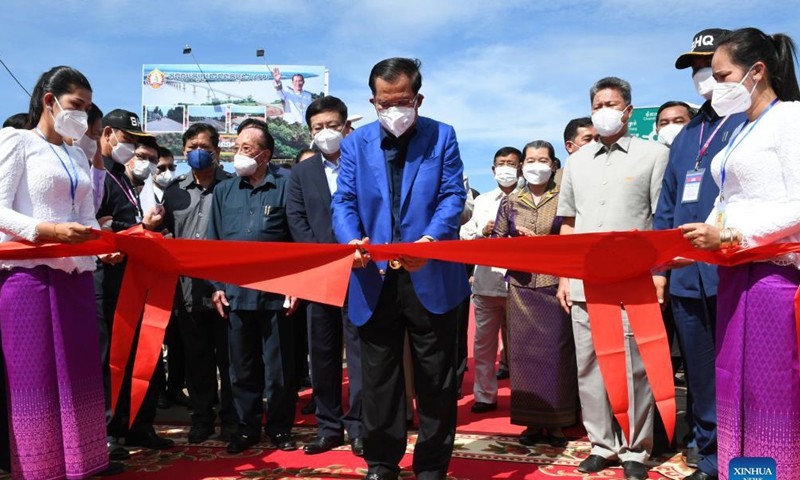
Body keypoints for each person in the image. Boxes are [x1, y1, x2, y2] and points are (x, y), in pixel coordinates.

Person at [332, 57, 470, 480]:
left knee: (438, 379)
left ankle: (431, 466)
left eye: (403, 101)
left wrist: (430, 240)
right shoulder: (355, 144)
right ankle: (381, 462)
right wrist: (351, 239)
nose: (393, 109)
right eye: (384, 102)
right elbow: (345, 201)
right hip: (373, 276)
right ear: (373, 102)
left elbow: (451, 196)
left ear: (418, 98)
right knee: (377, 379)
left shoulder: (441, 136)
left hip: (430, 272)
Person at [680, 27, 800, 480]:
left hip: (774, 276)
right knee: (734, 383)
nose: (714, 85)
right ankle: (744, 470)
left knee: (771, 389)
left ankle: (781, 471)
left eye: (721, 74)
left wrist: (732, 237)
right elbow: (729, 198)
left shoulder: (791, 118)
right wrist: (694, 240)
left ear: (756, 70)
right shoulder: (741, 127)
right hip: (735, 273)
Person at [0, 66, 123, 478]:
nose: (84, 117)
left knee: (79, 372)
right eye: (77, 105)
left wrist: (100, 249)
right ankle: (40, 470)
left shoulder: (76, 154)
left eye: (88, 109)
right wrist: (45, 231)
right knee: (35, 377)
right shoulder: (16, 142)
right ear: (49, 100)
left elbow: (86, 217)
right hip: (27, 277)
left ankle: (82, 464)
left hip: (76, 278)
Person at [556, 76, 669, 480]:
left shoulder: (653, 155)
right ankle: (602, 443)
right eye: (598, 104)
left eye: (613, 103)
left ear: (628, 110)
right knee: (588, 365)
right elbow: (568, 222)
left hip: (632, 279)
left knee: (634, 367)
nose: (605, 110)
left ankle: (636, 448)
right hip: (585, 281)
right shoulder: (575, 161)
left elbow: (661, 222)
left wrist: (659, 275)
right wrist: (565, 277)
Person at [654, 28, 746, 480]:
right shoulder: (688, 133)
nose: (702, 76)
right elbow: (667, 205)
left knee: (744, 370)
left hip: (738, 269)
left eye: (710, 66)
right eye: (695, 70)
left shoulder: (754, 120)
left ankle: (750, 455)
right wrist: (660, 270)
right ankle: (709, 456)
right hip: (688, 275)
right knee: (701, 370)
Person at [207, 118, 298, 454]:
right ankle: (246, 429)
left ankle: (279, 428)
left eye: (247, 149)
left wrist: (296, 285)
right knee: (241, 369)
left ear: (265, 155)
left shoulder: (286, 186)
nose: (238, 154)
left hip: (276, 295)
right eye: (236, 147)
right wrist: (216, 285)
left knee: (279, 371)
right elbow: (214, 242)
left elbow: (296, 241)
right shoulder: (223, 191)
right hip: (234, 296)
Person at [143, 123, 238, 443]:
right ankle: (201, 418)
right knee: (197, 359)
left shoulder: (234, 186)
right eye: (192, 147)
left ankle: (231, 417)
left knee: (230, 360)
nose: (198, 152)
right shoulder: (174, 190)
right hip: (188, 290)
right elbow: (162, 235)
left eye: (205, 146)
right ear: (184, 152)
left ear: (217, 150)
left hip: (227, 288)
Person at [286, 96, 364, 456]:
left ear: (346, 126)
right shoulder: (301, 173)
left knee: (361, 352)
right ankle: (328, 427)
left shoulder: (364, 162)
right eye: (318, 127)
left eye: (332, 125)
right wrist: (324, 256)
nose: (326, 132)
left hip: (362, 271)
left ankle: (360, 426)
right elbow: (296, 219)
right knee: (323, 354)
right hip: (321, 274)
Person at [95, 109, 173, 459]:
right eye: (130, 142)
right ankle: (110, 430)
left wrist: (149, 228)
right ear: (108, 134)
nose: (134, 152)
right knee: (111, 357)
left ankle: (140, 424)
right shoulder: (98, 176)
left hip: (135, 279)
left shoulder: (124, 180)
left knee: (145, 354)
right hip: (107, 282)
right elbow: (97, 229)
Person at [493, 140, 577, 448]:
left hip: (556, 285)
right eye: (530, 160)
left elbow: (574, 237)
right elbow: (497, 242)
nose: (536, 165)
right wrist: (517, 243)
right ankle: (530, 421)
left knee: (558, 355)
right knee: (523, 355)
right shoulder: (512, 201)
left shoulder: (564, 198)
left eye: (543, 159)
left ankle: (557, 423)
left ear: (554, 165)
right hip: (521, 287)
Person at [460, 146, 522, 414]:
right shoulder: (483, 200)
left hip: (519, 284)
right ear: (493, 169)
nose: (506, 168)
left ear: (520, 167)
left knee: (522, 347)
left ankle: (525, 396)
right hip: (485, 282)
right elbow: (464, 234)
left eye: (511, 163)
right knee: (483, 346)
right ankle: (485, 395)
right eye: (501, 163)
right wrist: (481, 233)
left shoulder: (530, 198)